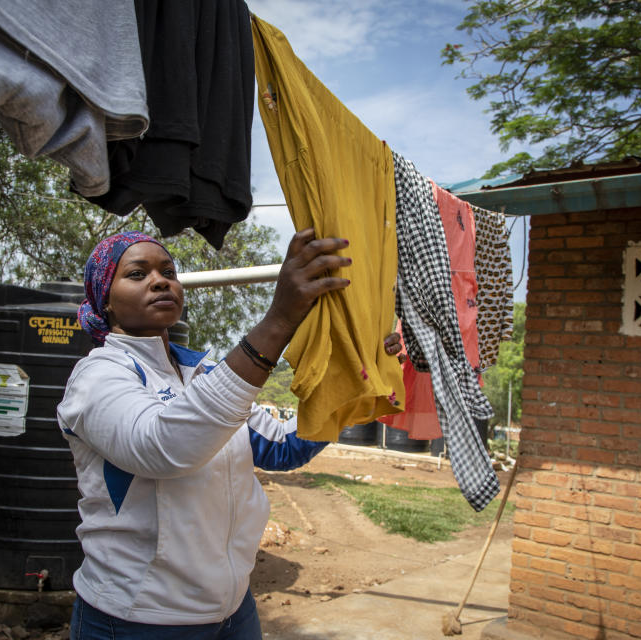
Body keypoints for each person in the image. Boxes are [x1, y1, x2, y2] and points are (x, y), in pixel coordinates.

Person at [57, 228, 403, 639]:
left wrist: (354, 379)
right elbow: (162, 448)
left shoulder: (202, 374)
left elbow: (283, 446)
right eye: (137, 273)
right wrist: (279, 320)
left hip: (234, 611)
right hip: (141, 618)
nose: (160, 280)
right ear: (106, 300)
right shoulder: (98, 376)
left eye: (168, 270)